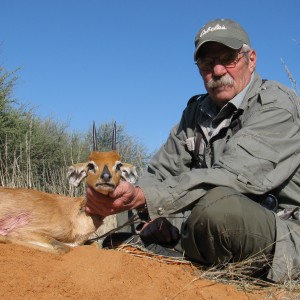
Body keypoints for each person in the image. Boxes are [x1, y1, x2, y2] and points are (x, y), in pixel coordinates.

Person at [86, 18, 300, 283]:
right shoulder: (195, 113)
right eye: (207, 63)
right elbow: (157, 173)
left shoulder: (277, 104)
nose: (218, 70)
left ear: (251, 59)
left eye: (228, 59)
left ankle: (192, 262)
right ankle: (177, 256)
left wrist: (147, 198)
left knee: (218, 209)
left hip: (283, 232)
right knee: (121, 232)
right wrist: (145, 216)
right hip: (211, 225)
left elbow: (234, 176)